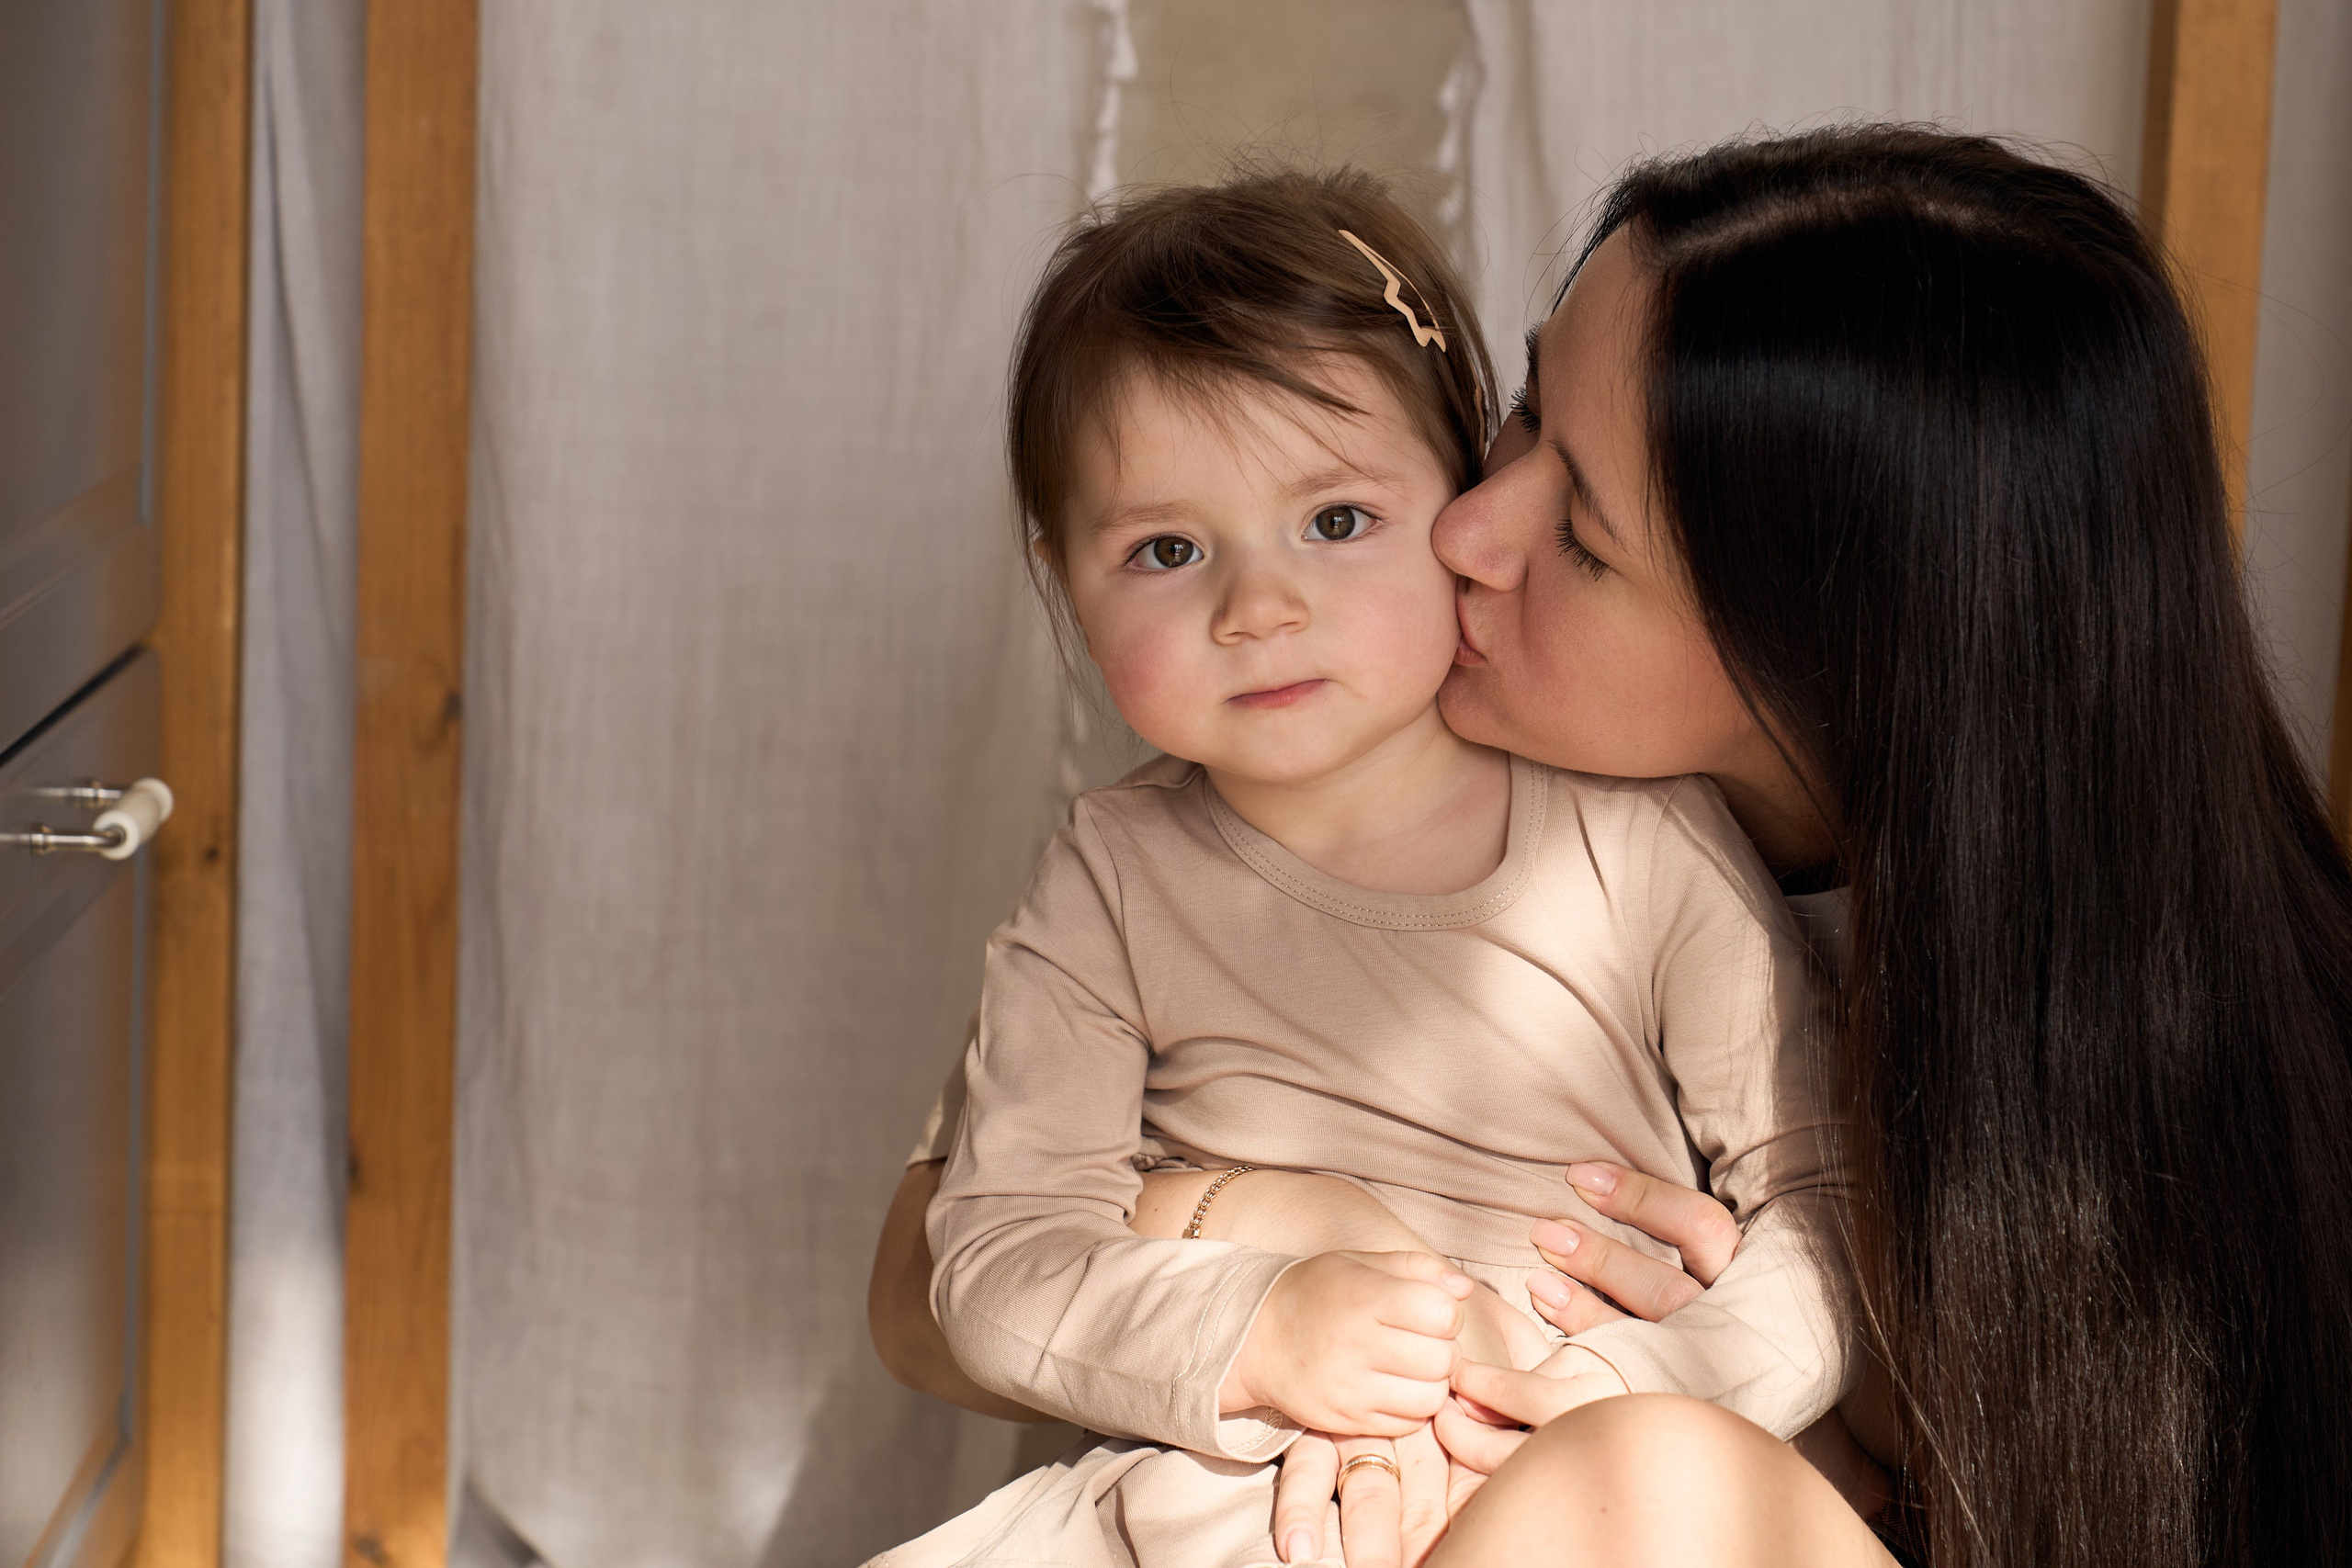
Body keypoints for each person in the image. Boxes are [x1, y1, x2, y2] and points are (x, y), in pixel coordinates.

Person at [876, 124, 2352, 1567]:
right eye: (1519, 417)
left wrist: (1717, 1377)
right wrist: (1260, 1221)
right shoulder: (1204, 835)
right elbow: (925, 1276)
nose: (1463, 528)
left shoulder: (1690, 880)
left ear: (1822, 651)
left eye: (1581, 529)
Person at [867, 168, 1856, 1568]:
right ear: (1062, 583)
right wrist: (1253, 1317)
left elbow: (1819, 1205)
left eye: (1335, 522)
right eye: (1164, 550)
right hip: (1240, 1497)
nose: (1258, 607)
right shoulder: (1111, 885)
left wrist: (1649, 1383)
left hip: (1580, 1474)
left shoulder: (1641, 837)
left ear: (1453, 495)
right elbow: (981, 1258)